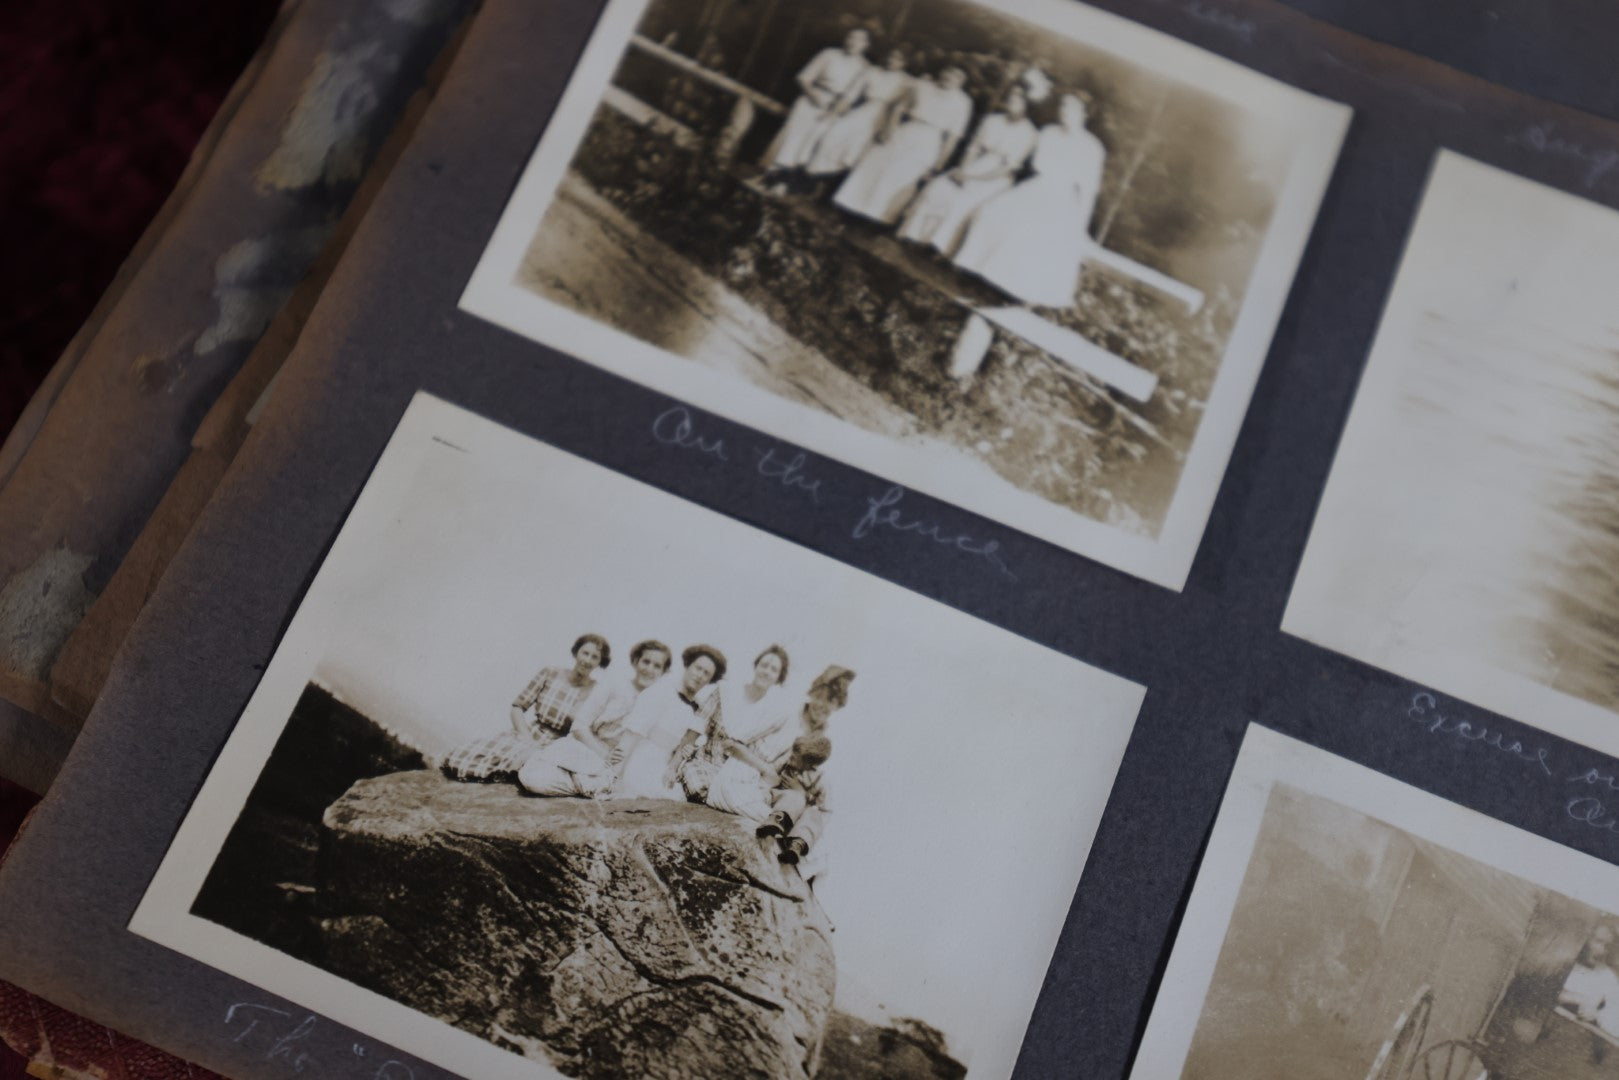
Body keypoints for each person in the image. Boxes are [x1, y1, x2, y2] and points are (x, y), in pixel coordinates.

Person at [953, 92, 1107, 308]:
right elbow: (1036, 165)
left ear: (1084, 114)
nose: (1064, 111)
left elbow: (1087, 192)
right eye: (1063, 105)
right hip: (1037, 187)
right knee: (990, 213)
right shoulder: (1048, 133)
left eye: (1071, 107)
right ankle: (979, 274)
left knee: (1030, 233)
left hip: (1062, 199)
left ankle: (1010, 293)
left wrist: (1079, 226)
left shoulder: (1092, 148)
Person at [440, 634, 609, 782]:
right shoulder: (551, 673)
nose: (587, 660)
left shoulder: (596, 691)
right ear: (576, 652)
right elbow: (518, 707)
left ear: (600, 663)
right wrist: (527, 738)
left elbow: (590, 730)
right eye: (585, 653)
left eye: (594, 657)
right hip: (529, 734)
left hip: (559, 745)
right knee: (470, 756)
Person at [518, 639, 672, 797]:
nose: (649, 669)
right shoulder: (613, 685)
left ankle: (589, 783)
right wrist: (603, 754)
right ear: (635, 661)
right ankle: (587, 784)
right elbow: (579, 726)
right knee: (531, 778)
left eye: (657, 666)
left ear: (663, 672)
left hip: (613, 766)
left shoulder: (657, 702)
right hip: (587, 747)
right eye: (646, 662)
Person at [897, 84, 1037, 255]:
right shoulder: (992, 120)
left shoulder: (1028, 133)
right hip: (976, 165)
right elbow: (973, 148)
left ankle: (939, 247)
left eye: (1018, 98)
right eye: (1011, 96)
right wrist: (963, 171)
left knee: (965, 199)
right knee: (940, 186)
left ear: (1027, 104)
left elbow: (1008, 168)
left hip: (995, 177)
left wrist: (974, 179)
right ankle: (916, 236)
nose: (1012, 100)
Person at [833, 66, 973, 225]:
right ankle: (850, 205)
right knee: (877, 163)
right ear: (941, 72)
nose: (950, 77)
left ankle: (877, 219)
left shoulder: (963, 103)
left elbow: (953, 137)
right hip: (907, 129)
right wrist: (889, 128)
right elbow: (899, 108)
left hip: (929, 140)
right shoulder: (922, 86)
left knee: (901, 175)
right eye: (948, 72)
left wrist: (939, 163)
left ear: (962, 82)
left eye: (957, 76)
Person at [605, 644, 727, 801]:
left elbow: (686, 746)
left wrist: (676, 765)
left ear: (710, 680)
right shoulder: (661, 691)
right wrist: (616, 776)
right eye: (697, 668)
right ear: (688, 666)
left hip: (666, 767)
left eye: (706, 674)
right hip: (641, 760)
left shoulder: (698, 709)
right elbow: (632, 735)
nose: (699, 675)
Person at [682, 645, 793, 801]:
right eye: (764, 665)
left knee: (746, 797)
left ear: (779, 678)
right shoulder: (727, 691)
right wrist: (675, 764)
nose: (767, 672)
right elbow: (697, 725)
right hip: (706, 761)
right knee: (701, 788)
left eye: (774, 670)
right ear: (756, 666)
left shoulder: (772, 713)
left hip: (737, 772)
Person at [761, 29, 871, 180]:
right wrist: (814, 96)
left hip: (835, 108)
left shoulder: (865, 68)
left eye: (859, 40)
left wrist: (833, 110)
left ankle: (785, 180)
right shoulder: (829, 54)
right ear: (845, 38)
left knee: (814, 142)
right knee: (793, 134)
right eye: (851, 37)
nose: (853, 42)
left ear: (866, 45)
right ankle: (768, 173)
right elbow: (803, 78)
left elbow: (853, 96)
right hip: (811, 98)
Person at [803, 48, 913, 180]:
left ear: (905, 63)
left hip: (884, 118)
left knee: (858, 152)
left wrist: (889, 128)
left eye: (898, 59)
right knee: (832, 136)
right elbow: (850, 95)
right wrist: (833, 113)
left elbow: (903, 108)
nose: (892, 61)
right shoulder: (872, 71)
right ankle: (813, 177)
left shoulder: (909, 83)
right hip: (863, 111)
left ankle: (828, 185)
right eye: (891, 56)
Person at [1561, 925, 1619, 1037]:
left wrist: (1596, 1015)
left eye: (1606, 946)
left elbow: (1615, 1019)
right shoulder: (1562, 959)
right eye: (1598, 941)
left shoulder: (1607, 977)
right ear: (1586, 938)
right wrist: (1575, 998)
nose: (1601, 950)